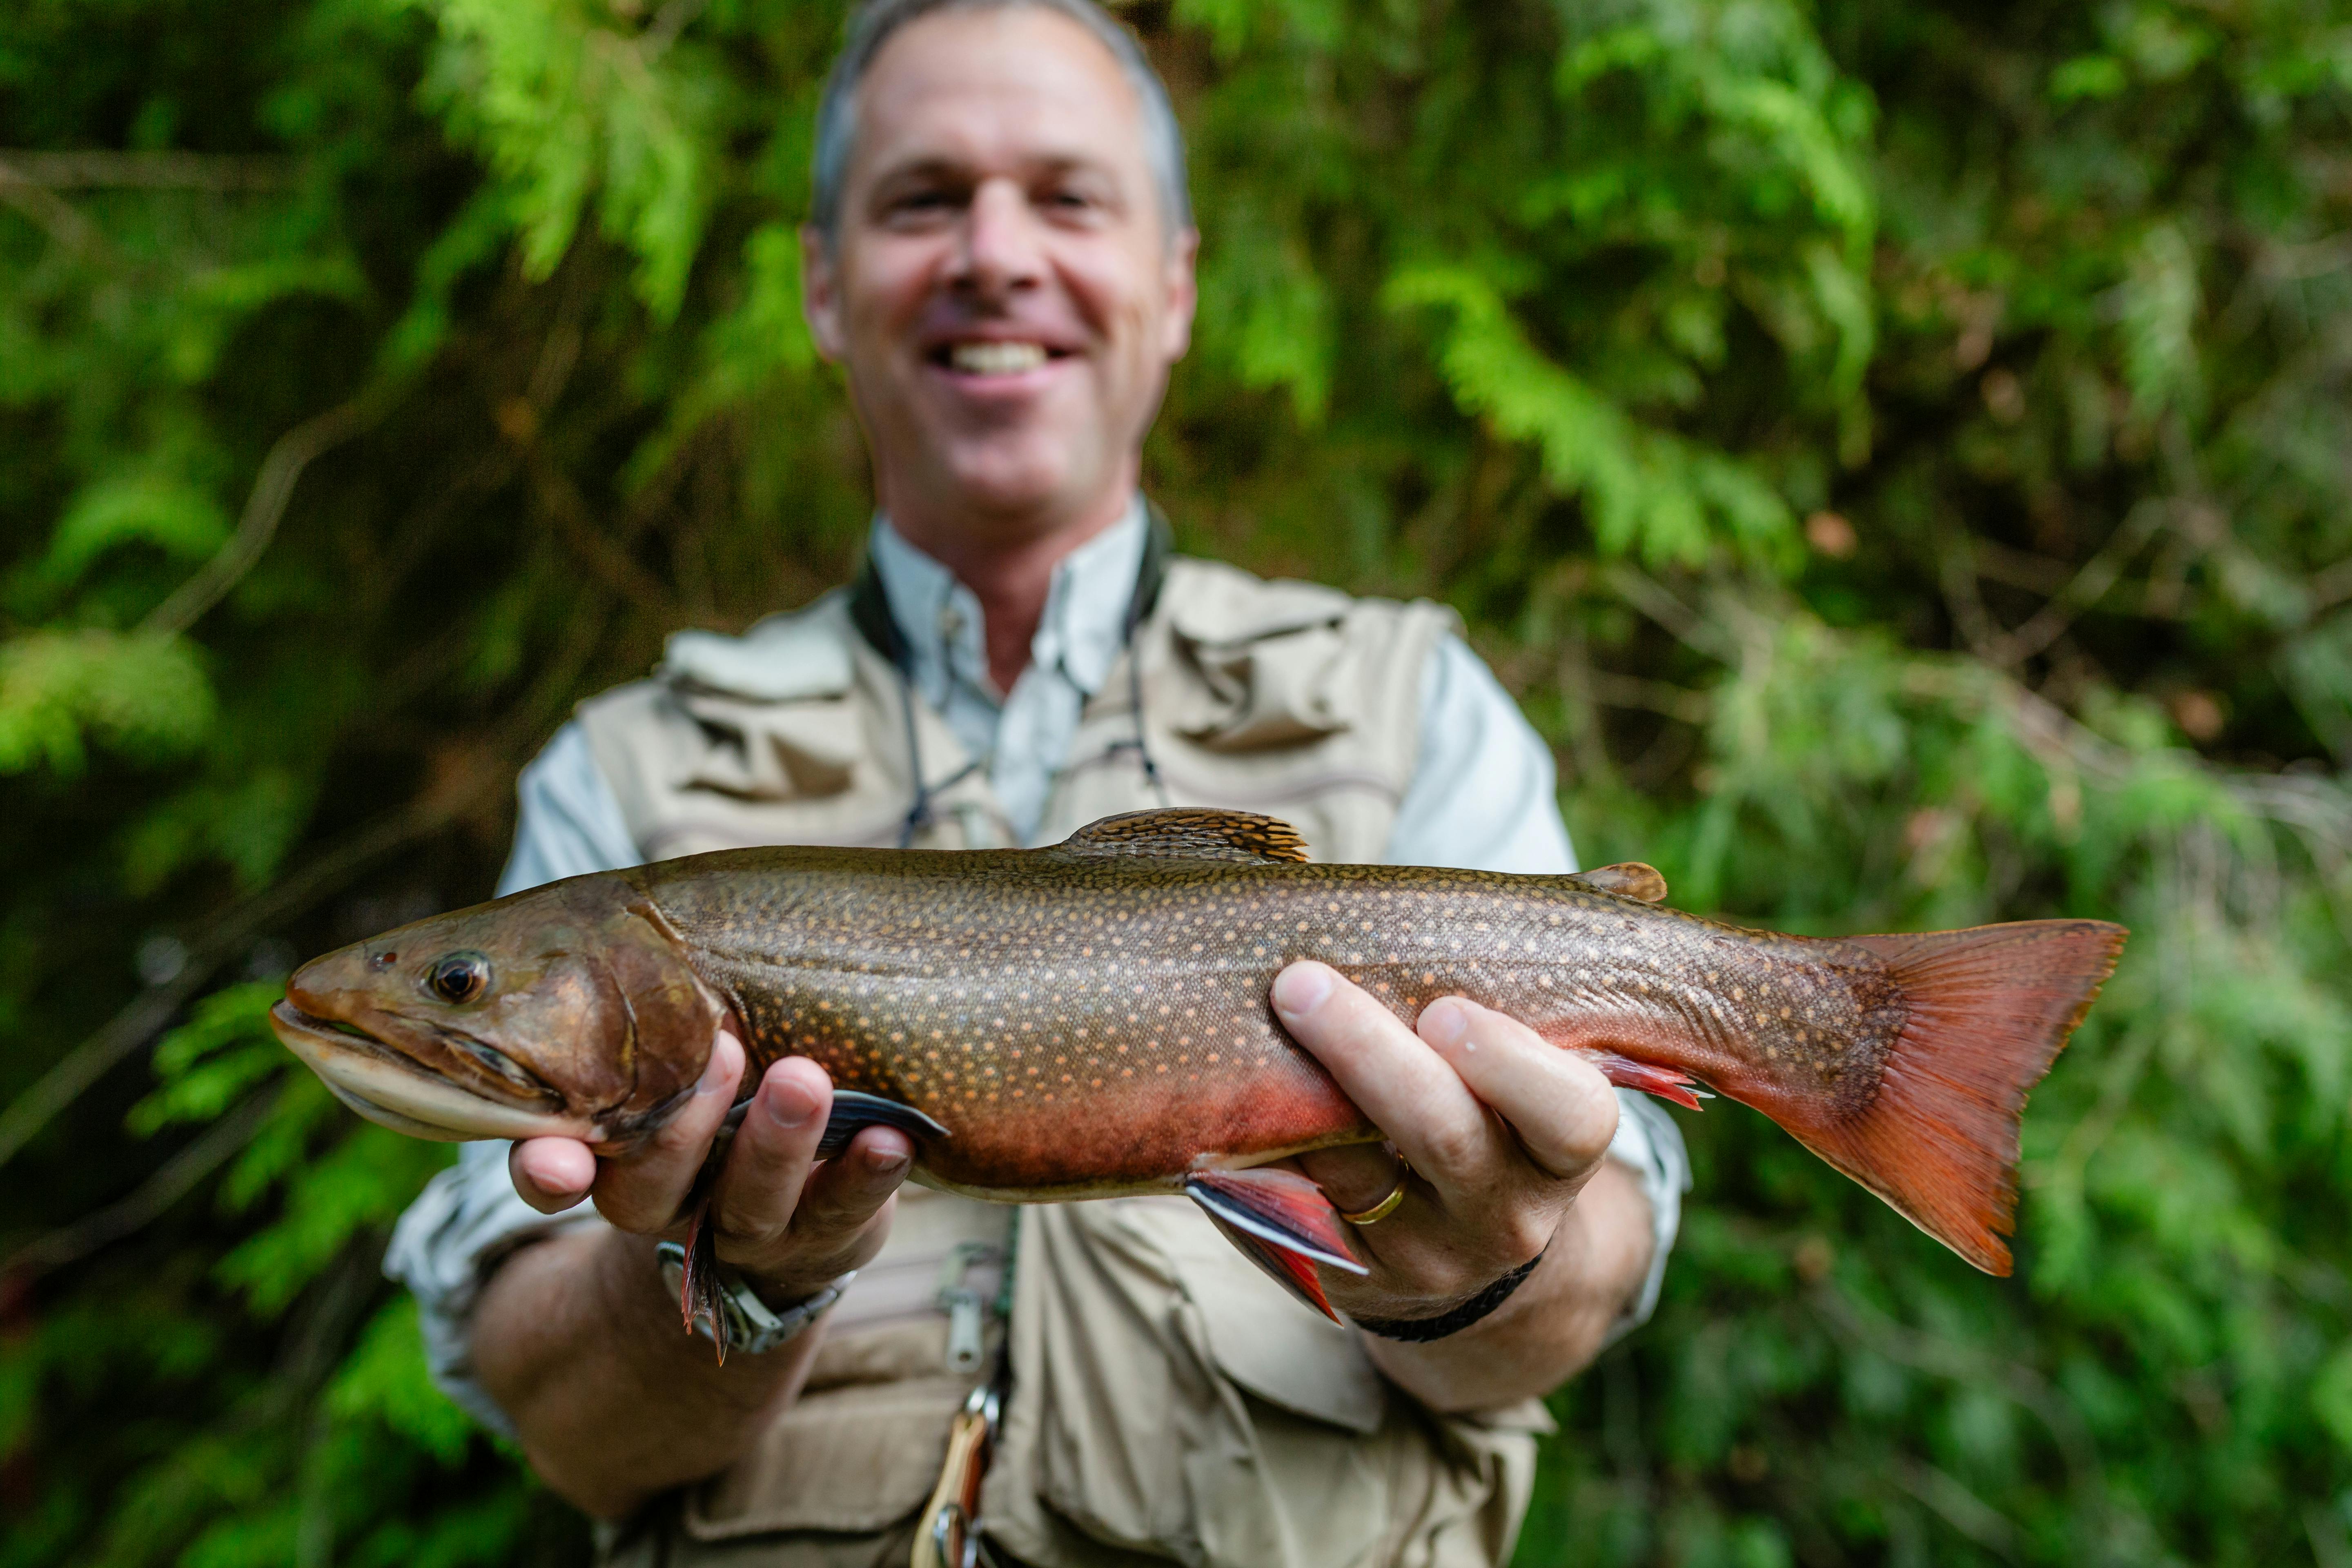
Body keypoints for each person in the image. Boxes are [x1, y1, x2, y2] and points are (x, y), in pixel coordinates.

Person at [386, 2, 1688, 1564]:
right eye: (924, 198)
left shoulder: (1415, 699)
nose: (994, 254)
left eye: (1068, 198)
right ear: (823, 283)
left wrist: (1480, 1261)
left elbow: (1600, 1267)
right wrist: (733, 1277)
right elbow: (568, 1425)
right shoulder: (621, 774)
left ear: (1178, 283)